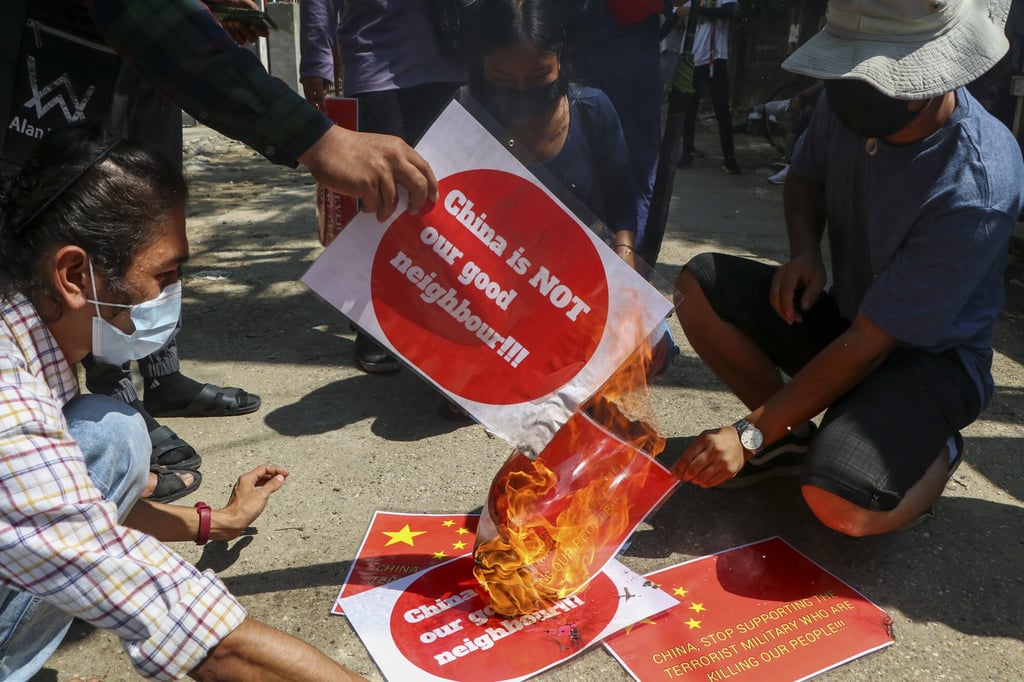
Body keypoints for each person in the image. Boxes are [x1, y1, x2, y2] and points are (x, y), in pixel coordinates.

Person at [0, 123, 367, 681]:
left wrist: (214, 522)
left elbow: (60, 510)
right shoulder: (10, 399)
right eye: (163, 274)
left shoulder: (30, 335)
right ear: (74, 273)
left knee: (109, 430)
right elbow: (182, 623)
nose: (169, 296)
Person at [672, 0, 1022, 537]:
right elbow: (803, 178)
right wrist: (805, 252)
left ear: (929, 80)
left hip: (930, 360)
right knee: (699, 287)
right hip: (853, 317)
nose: (848, 90)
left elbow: (869, 344)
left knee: (841, 504)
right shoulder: (848, 102)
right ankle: (789, 441)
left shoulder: (977, 181)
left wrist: (747, 434)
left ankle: (934, 448)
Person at [299, 0, 467, 374]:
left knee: (446, 194)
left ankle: (443, 315)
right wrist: (316, 61)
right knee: (383, 197)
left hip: (452, 60)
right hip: (376, 65)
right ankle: (373, 322)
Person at [676, 0, 741, 174]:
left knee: (722, 110)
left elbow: (730, 11)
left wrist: (694, 10)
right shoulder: (692, 2)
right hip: (692, 59)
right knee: (689, 108)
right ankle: (687, 152)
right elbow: (674, 17)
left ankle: (729, 158)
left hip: (715, 59)